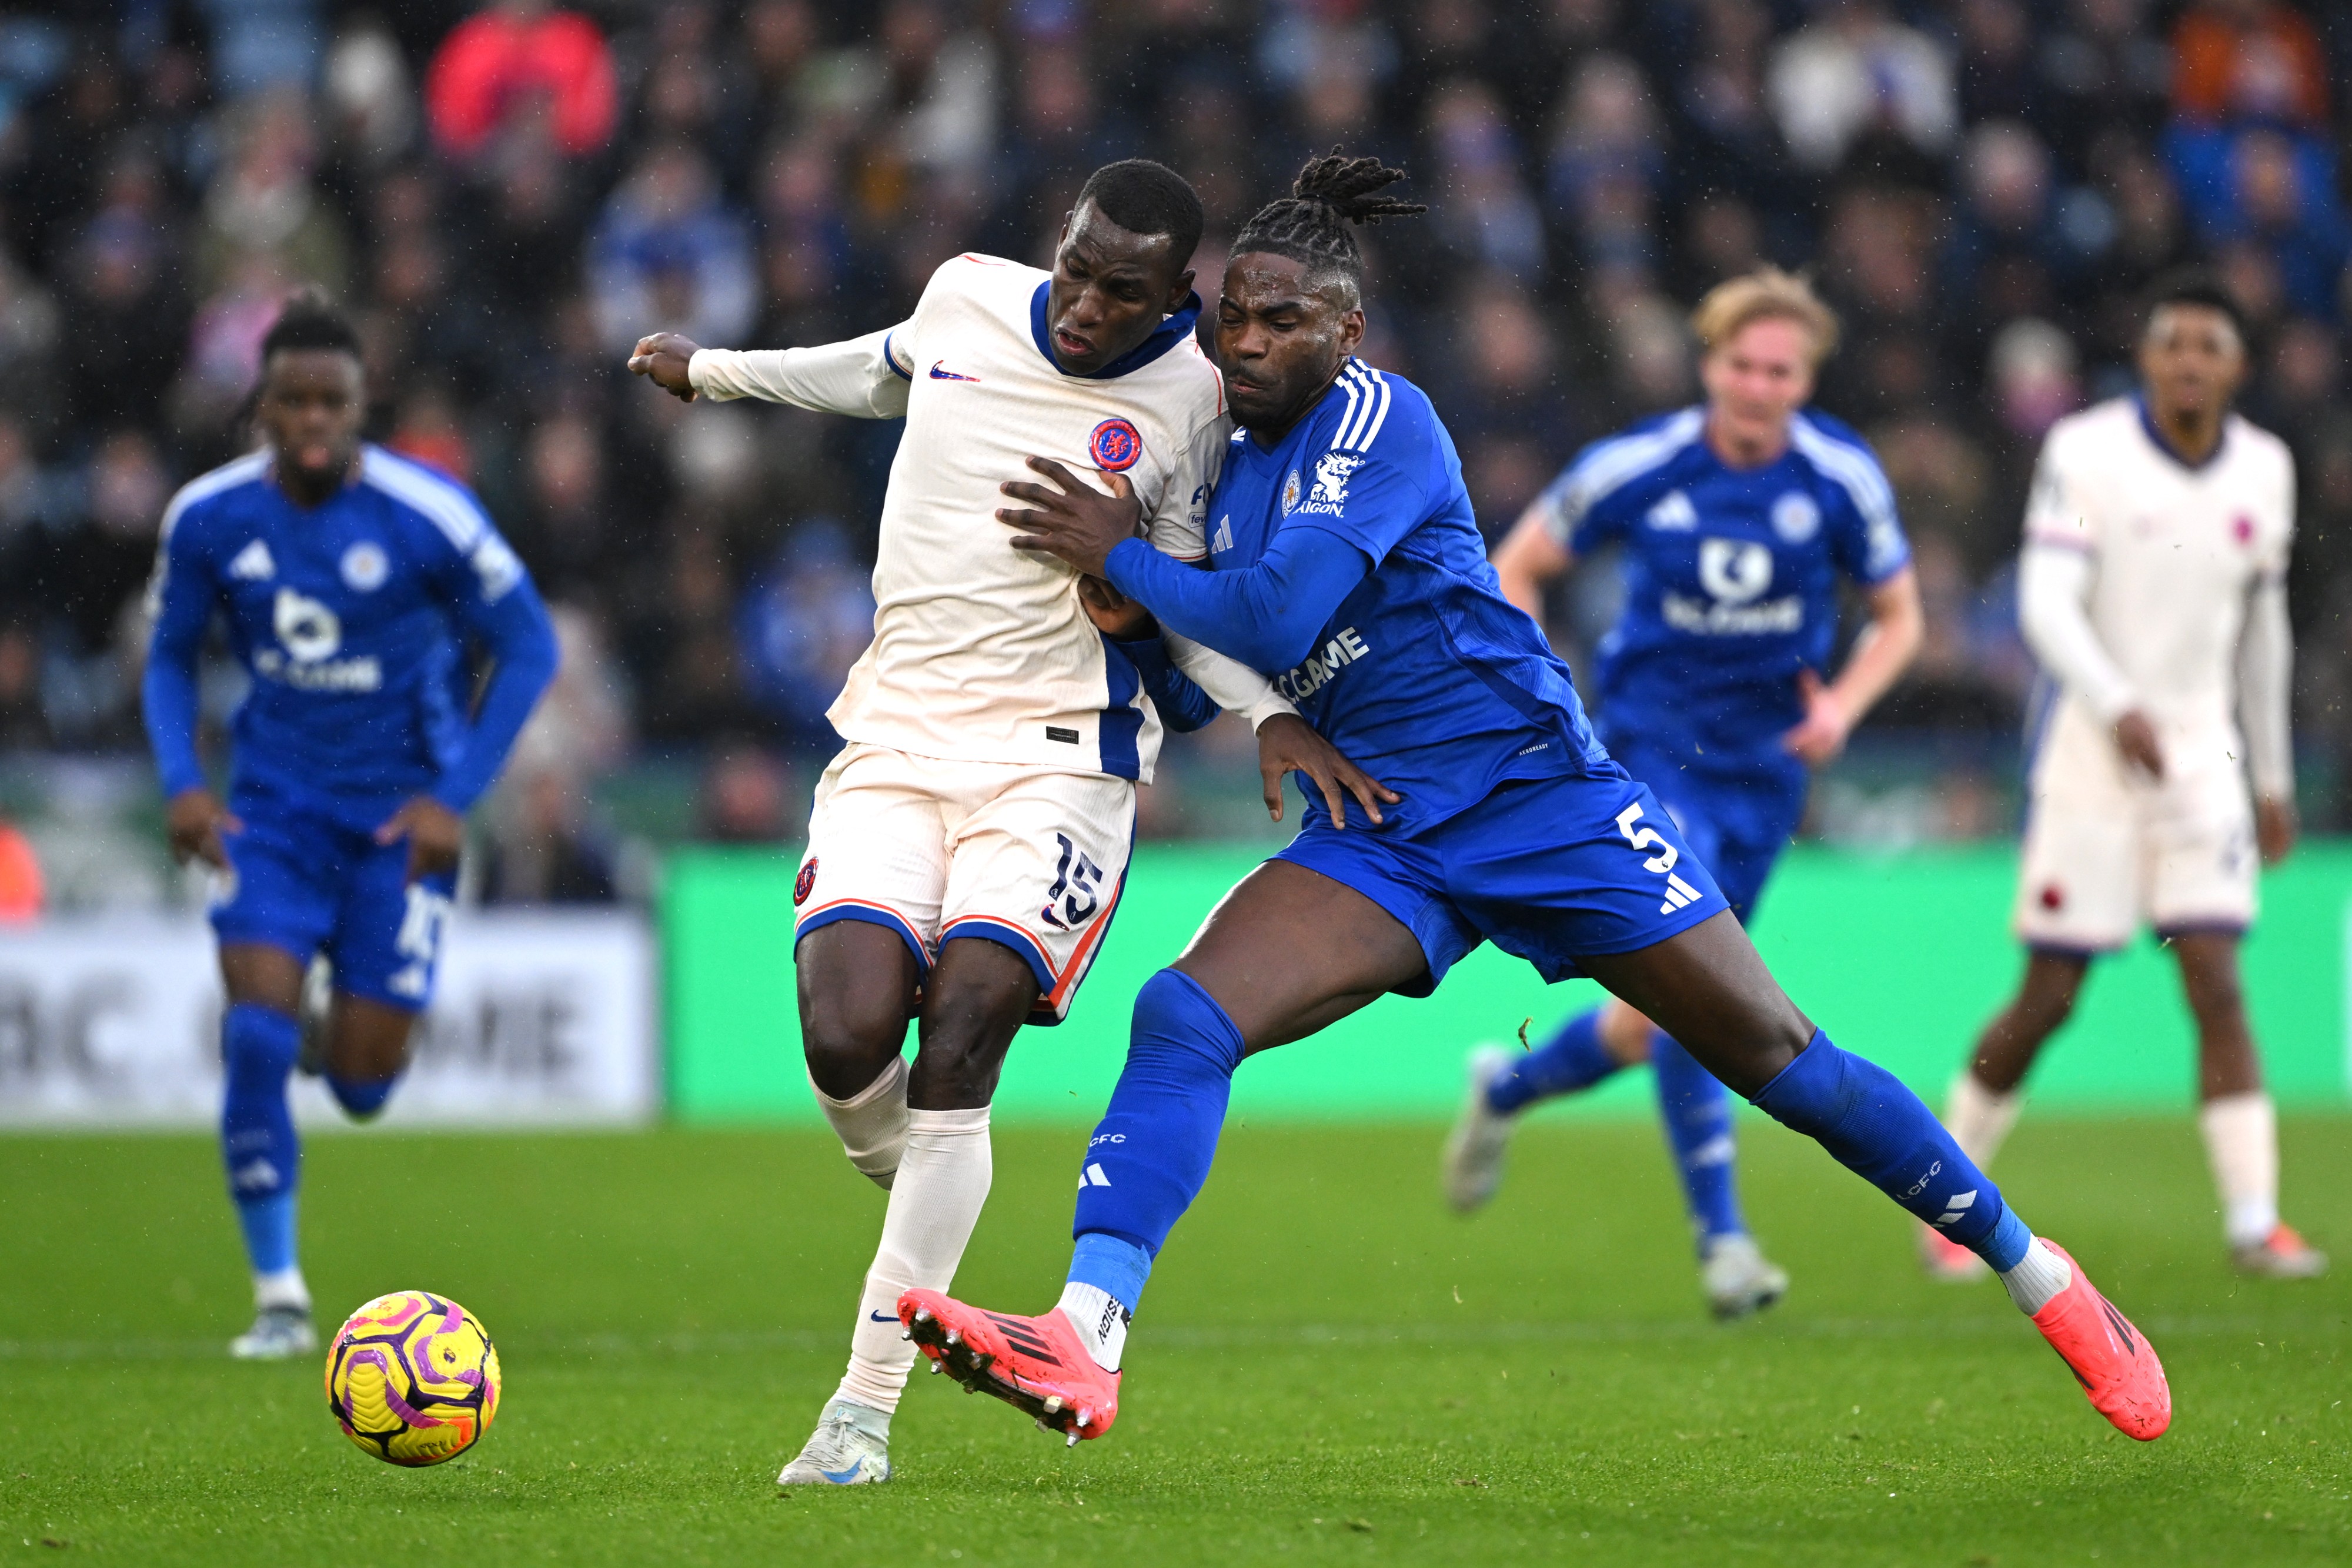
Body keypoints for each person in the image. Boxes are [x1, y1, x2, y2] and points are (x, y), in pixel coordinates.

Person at [894, 152, 2171, 1450]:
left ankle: (2041, 1276)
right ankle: (1086, 1331)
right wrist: (1144, 614)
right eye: (1234, 314)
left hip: (1536, 796)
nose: (1251, 340)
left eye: (1286, 319)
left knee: (1777, 1058)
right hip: (1383, 824)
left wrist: (1115, 553)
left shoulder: (1383, 424)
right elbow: (1211, 653)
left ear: (1348, 331)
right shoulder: (1210, 459)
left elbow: (1276, 609)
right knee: (1184, 1010)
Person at [626, 159, 1382, 1487]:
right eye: (1077, 267)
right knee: (849, 1027)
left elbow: (1197, 590)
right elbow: (875, 366)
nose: (1085, 304)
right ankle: (925, 1178)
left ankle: (855, 1418)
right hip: (895, 734)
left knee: (965, 1018)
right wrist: (718, 371)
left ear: (1178, 302)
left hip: (1059, 757)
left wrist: (1256, 706)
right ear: (1059, 241)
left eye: (1123, 291)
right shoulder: (969, 295)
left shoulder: (1199, 398)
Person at [1439, 269, 1923, 1320]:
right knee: (1703, 1001)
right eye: (1741, 365)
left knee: (1663, 1012)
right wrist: (1545, 685)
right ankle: (1725, 1242)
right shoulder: (1643, 464)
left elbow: (1901, 616)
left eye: (1779, 371)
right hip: (1656, 756)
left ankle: (1506, 1088)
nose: (1757, 386)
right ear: (1711, 367)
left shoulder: (1841, 475)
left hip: (1767, 773)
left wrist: (1843, 706)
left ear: (1805, 380)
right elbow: (1517, 565)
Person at [142, 290, 559, 1359]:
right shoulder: (209, 518)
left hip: (396, 834)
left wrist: (452, 796)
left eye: (334, 401)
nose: (315, 420)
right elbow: (168, 656)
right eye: (294, 402)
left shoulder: (430, 515)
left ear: (362, 406)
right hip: (271, 820)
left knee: (366, 1087)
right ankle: (280, 1296)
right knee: (252, 1035)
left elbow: (530, 647)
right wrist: (185, 781)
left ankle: (338, 1032)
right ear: (262, 408)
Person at [1927, 273, 2321, 1283]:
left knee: (2218, 983)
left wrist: (2271, 775)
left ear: (2237, 366)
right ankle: (1948, 1197)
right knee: (2051, 994)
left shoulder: (2266, 470)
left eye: (2209, 346)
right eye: (2172, 343)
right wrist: (2117, 704)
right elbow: (2047, 605)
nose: (2189, 361)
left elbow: (2263, 635)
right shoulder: (2086, 452)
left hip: (2203, 758)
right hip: (2094, 754)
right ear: (2146, 359)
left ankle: (2254, 1220)